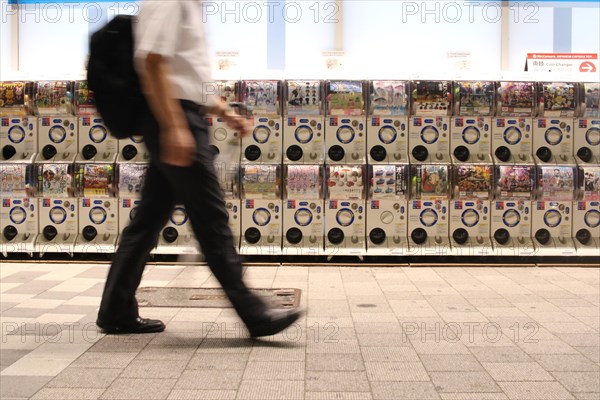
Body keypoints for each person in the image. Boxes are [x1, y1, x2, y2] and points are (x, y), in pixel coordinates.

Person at [96, 0, 301, 337]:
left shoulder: (190, 6)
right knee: (211, 218)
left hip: (179, 114)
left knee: (147, 221)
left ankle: (115, 310)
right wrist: (174, 125)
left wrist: (226, 112)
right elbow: (151, 62)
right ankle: (254, 314)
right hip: (173, 117)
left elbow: (189, 76)